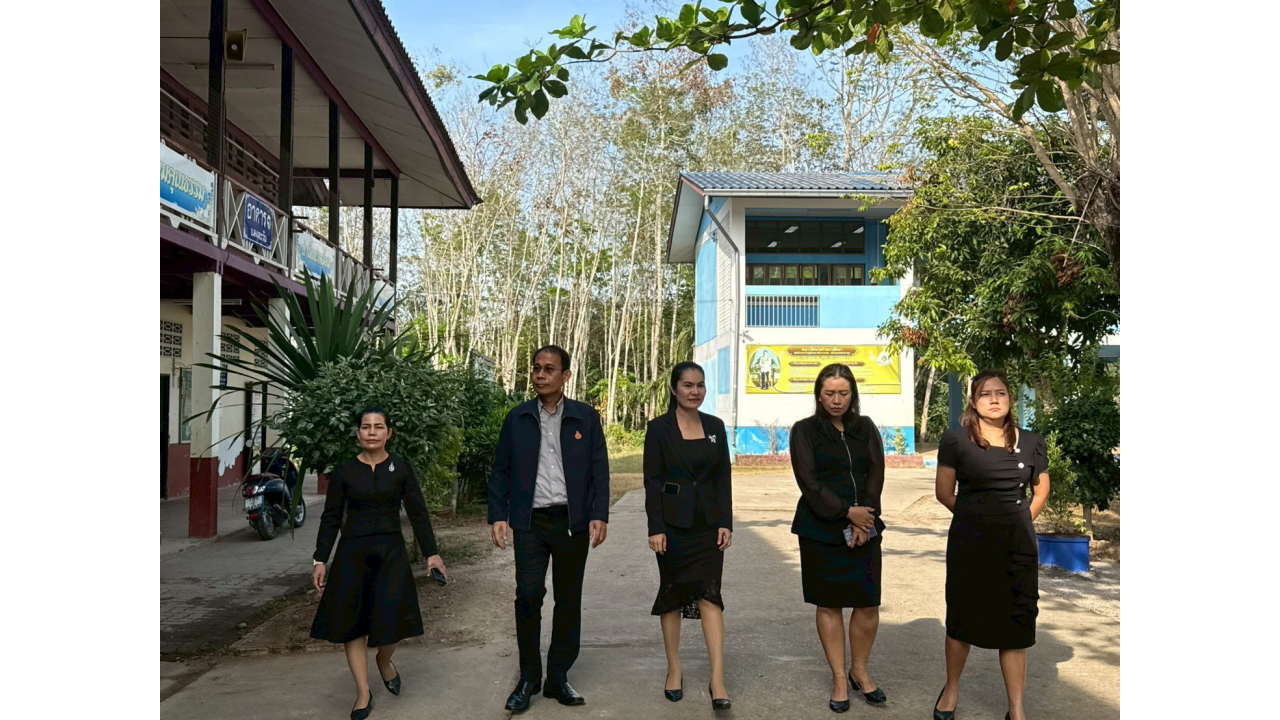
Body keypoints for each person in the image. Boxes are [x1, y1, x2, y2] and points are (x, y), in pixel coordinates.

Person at [488, 345, 610, 713]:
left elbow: (599, 469)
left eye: (549, 369)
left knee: (568, 599)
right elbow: (501, 470)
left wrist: (599, 513)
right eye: (536, 368)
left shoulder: (585, 418)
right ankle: (529, 677)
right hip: (531, 522)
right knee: (528, 595)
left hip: (572, 523)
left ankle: (558, 677)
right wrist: (498, 515)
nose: (540, 375)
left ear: (565, 376)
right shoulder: (518, 418)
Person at [310, 407, 448, 720]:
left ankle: (384, 661)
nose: (372, 432)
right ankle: (363, 692)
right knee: (352, 625)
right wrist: (320, 559)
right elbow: (331, 517)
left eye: (378, 427)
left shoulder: (401, 467)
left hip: (390, 553)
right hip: (352, 554)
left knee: (393, 619)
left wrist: (432, 553)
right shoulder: (344, 471)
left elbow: (418, 512)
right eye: (366, 427)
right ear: (358, 433)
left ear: (389, 433)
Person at [932, 370, 1051, 720]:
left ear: (1010, 399)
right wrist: (977, 517)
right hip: (970, 542)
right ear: (973, 401)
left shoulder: (1032, 441)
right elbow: (944, 492)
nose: (994, 399)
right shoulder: (955, 440)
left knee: (1016, 623)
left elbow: (1041, 490)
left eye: (1001, 393)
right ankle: (951, 689)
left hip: (1017, 545)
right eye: (986, 394)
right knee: (962, 617)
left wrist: (1018, 521)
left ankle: (1016, 708)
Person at [788, 363, 887, 714]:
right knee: (829, 604)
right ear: (819, 395)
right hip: (820, 529)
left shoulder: (866, 427)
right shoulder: (804, 430)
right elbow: (809, 482)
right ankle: (839, 678)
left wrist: (865, 516)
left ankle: (859, 670)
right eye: (829, 393)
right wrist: (847, 512)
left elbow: (876, 471)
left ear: (852, 395)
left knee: (867, 604)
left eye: (843, 393)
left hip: (865, 527)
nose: (836, 400)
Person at [643, 362, 733, 711]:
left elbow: (722, 477)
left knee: (711, 596)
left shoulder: (715, 426)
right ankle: (674, 669)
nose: (694, 392)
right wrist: (655, 527)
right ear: (674, 389)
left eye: (700, 385)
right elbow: (652, 481)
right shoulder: (659, 429)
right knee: (673, 596)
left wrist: (725, 521)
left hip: (708, 526)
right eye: (687, 385)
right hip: (673, 526)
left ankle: (717, 678)